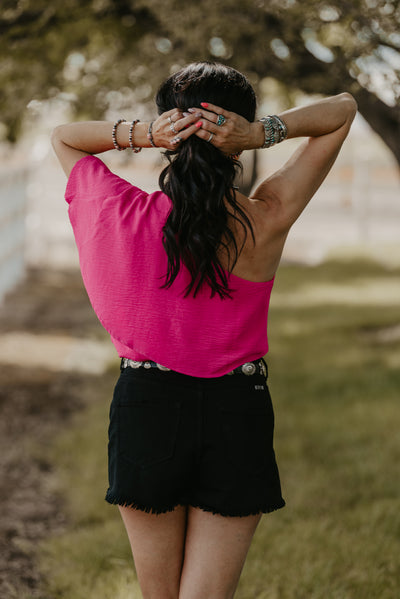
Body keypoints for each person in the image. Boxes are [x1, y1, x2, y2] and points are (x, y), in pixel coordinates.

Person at [51, 61, 357, 599]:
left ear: (171, 129)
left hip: (146, 405)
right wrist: (264, 133)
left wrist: (146, 134)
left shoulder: (116, 210)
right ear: (236, 139)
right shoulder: (266, 217)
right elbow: (343, 111)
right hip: (238, 408)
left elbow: (65, 138)